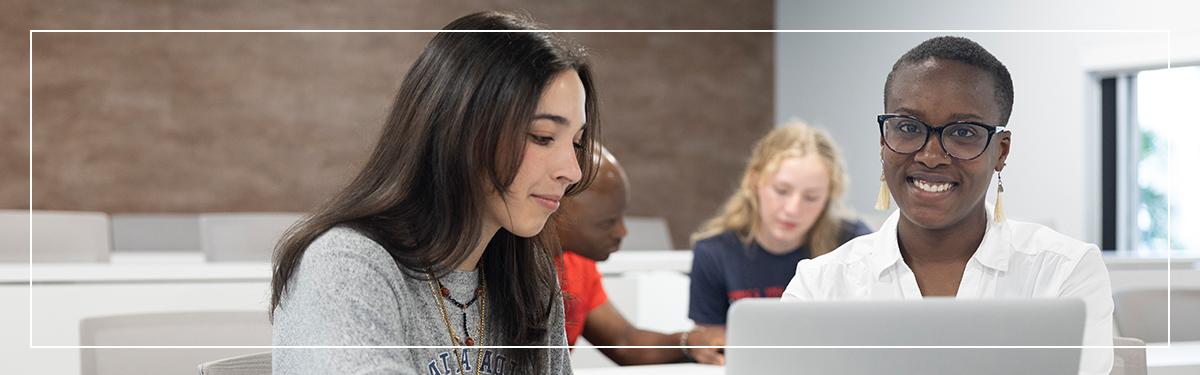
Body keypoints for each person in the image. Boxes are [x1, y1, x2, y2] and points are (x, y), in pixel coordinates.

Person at [269, 11, 601, 375]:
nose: (572, 171)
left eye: (576, 144)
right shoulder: (347, 264)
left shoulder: (528, 277)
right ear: (461, 128)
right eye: (542, 137)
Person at [781, 36, 1114, 375]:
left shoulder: (1064, 273)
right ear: (884, 141)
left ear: (1000, 151)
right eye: (908, 128)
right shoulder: (820, 287)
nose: (930, 155)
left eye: (964, 132)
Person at [688, 122, 871, 338]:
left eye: (811, 197)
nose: (793, 209)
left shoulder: (853, 244)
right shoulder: (714, 252)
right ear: (754, 181)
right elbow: (712, 344)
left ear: (828, 197)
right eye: (781, 191)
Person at [555, 145, 726, 365]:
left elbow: (623, 342)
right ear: (557, 214)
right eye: (607, 222)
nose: (622, 232)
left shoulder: (578, 265)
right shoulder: (507, 267)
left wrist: (689, 342)